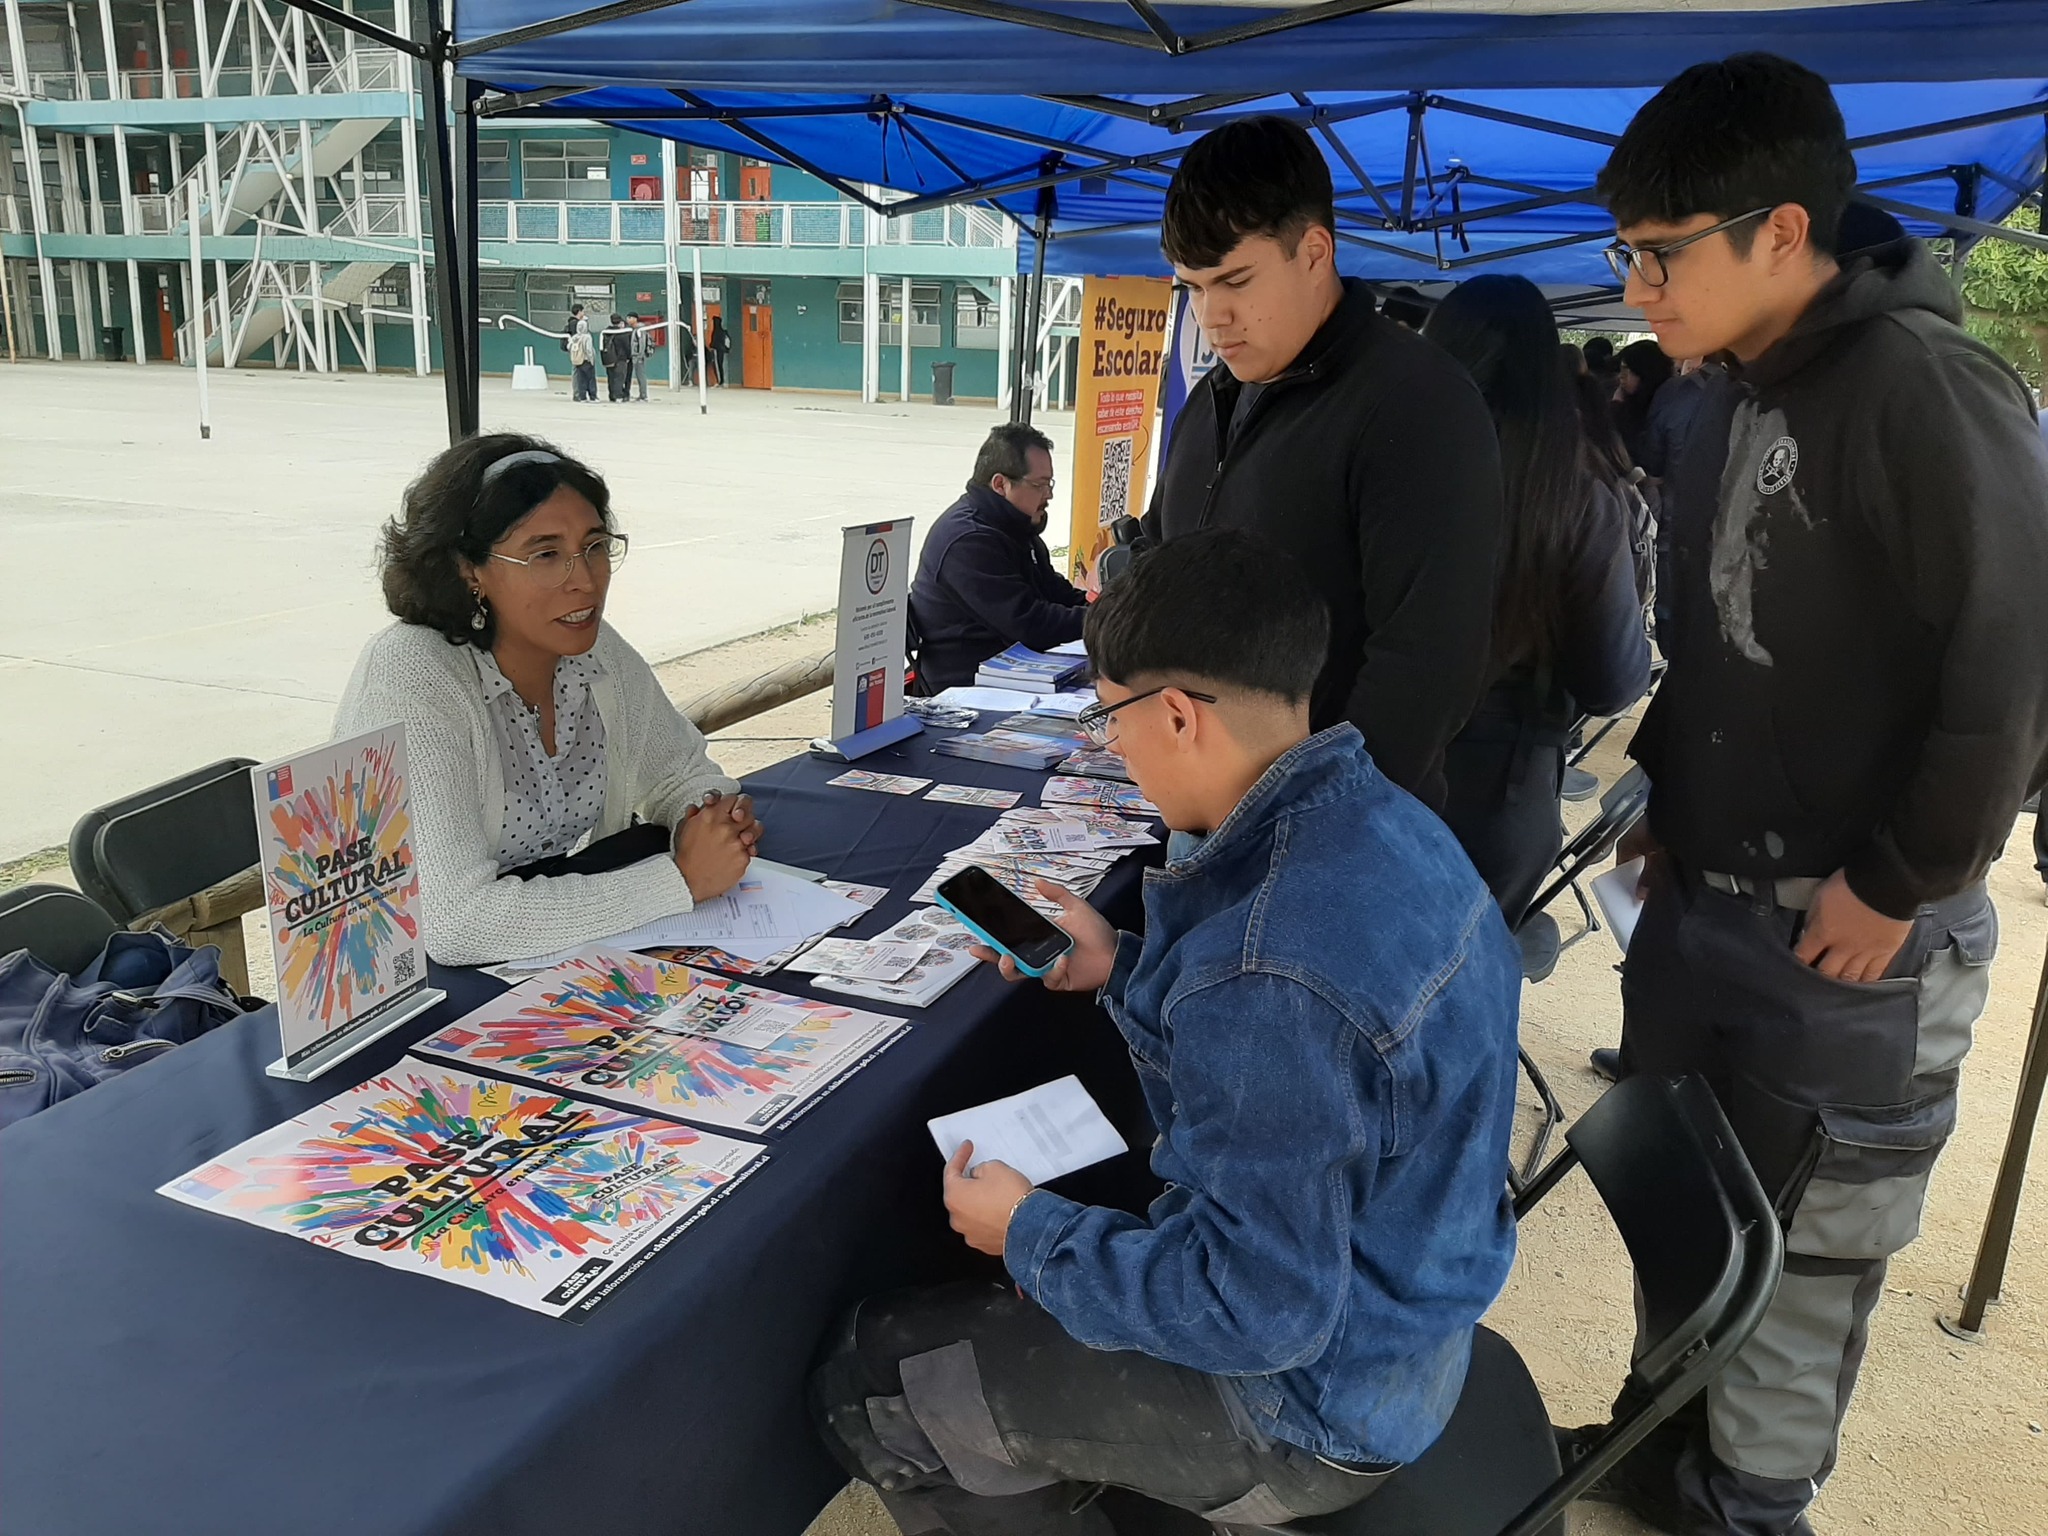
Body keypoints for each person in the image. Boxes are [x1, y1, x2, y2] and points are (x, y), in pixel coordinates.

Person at [810, 528, 1522, 1535]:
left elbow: (1255, 1311)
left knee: (873, 1379)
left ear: (1177, 713)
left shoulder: (1267, 966)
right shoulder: (1382, 822)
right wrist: (1123, 966)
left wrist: (1031, 1234)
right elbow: (1334, 1061)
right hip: (1400, 1322)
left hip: (1309, 1407)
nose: (1112, 750)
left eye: (1109, 723)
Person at [1573, 54, 2048, 1536]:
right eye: (1625, 254)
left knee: (1805, 1251)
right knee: (1684, 1212)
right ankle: (1666, 1441)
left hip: (1847, 934)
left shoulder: (1931, 390)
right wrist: (1670, 795)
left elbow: (2013, 666)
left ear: (1780, 231)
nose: (1637, 287)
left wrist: (1901, 880)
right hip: (1705, 895)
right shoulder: (1719, 398)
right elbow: (1721, 642)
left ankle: (1748, 1504)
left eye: (1659, 253)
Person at [1144, 115, 1505, 812]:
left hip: (1334, 847)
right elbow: (1167, 577)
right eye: (1191, 286)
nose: (1212, 315)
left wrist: (1313, 832)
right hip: (1203, 821)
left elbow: (1426, 668)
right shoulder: (1214, 401)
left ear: (1314, 252)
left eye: (1235, 280)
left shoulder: (1416, 403)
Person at [333, 436, 765, 967]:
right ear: (470, 570)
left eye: (595, 546)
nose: (583, 580)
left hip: (536, 957)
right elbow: (454, 923)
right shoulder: (411, 677)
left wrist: (714, 821)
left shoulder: (593, 649)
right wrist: (679, 880)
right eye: (546, 555)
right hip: (407, 986)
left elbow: (682, 774)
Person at [1425, 276, 1653, 928]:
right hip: (1500, 792)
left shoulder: (1389, 462)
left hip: (1368, 770)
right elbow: (1613, 682)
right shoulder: (1573, 495)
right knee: (1461, 1001)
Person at [908, 423, 1089, 692]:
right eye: (1040, 485)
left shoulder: (1016, 529)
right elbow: (1030, 623)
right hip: (967, 691)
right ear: (1000, 484)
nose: (1049, 495)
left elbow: (1055, 592)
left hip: (1015, 675)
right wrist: (1107, 621)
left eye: (1049, 484)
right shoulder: (968, 541)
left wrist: (1114, 608)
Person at [601, 312, 632, 403]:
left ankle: (612, 395)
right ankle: (619, 395)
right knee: (619, 377)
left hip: (609, 358)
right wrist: (628, 357)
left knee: (611, 377)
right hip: (621, 358)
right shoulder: (623, 333)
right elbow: (627, 346)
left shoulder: (606, 332)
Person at [567, 315, 597, 403]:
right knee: (591, 379)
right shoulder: (587, 337)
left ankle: (582, 397)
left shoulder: (575, 337)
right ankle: (593, 397)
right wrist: (591, 360)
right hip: (586, 360)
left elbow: (569, 347)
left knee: (581, 380)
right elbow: (588, 349)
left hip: (577, 361)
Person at [628, 313, 651, 401]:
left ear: (635, 319)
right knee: (638, 375)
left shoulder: (640, 330)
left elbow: (642, 343)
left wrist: (640, 355)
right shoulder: (634, 330)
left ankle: (643, 395)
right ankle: (642, 394)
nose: (628, 320)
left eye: (630, 318)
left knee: (641, 375)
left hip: (638, 356)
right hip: (635, 356)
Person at [708, 315, 731, 386]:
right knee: (721, 365)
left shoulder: (716, 332)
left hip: (717, 351)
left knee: (717, 365)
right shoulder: (723, 332)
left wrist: (711, 346)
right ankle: (721, 380)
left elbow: (714, 343)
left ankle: (719, 381)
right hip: (723, 351)